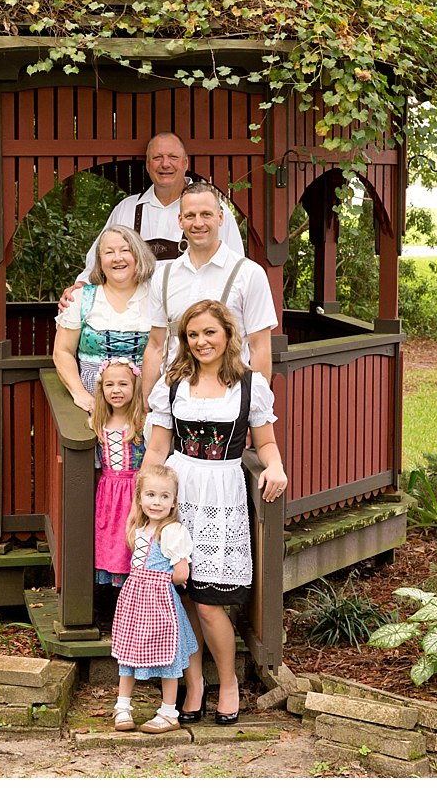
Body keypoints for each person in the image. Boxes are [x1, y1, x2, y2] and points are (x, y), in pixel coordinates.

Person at [142, 300, 288, 725]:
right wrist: (142, 497)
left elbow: (266, 443)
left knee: (209, 603)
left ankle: (227, 682)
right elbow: (156, 447)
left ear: (227, 334)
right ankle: (195, 684)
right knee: (181, 597)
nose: (201, 342)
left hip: (222, 493)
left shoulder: (248, 385)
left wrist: (275, 466)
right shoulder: (173, 384)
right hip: (178, 492)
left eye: (209, 333)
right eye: (192, 335)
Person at [61, 132, 243, 309]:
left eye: (173, 156)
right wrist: (79, 288)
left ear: (185, 162)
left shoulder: (213, 209)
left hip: (193, 323)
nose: (165, 164)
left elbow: (235, 271)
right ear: (148, 165)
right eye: (157, 157)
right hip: (135, 322)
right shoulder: (127, 209)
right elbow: (97, 262)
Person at [141, 181, 277, 388]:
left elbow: (260, 348)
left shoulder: (249, 274)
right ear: (180, 221)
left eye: (206, 214)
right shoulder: (164, 276)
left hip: (230, 397)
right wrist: (145, 405)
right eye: (190, 216)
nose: (198, 223)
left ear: (220, 217)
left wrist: (257, 407)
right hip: (174, 398)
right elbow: (155, 346)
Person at [109, 463, 199, 734]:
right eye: (150, 495)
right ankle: (123, 706)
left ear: (173, 502)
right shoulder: (140, 528)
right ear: (139, 497)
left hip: (160, 603)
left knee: (167, 658)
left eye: (164, 496)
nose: (156, 502)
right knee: (128, 651)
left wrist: (154, 582)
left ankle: (169, 712)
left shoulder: (171, 532)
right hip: (135, 602)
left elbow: (182, 572)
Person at [53, 225, 156, 410]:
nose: (117, 258)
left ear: (139, 255)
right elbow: (62, 351)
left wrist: (150, 403)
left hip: (146, 408)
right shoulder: (81, 298)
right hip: (91, 409)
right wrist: (80, 395)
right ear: (100, 261)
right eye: (109, 252)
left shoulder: (156, 298)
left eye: (125, 250)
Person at [88, 358, 148, 588]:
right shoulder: (97, 424)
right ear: (101, 389)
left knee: (133, 540)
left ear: (134, 386)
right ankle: (115, 596)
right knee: (112, 539)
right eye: (109, 385)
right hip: (108, 494)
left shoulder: (142, 424)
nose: (116, 391)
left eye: (123, 384)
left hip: (135, 491)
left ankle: (138, 593)